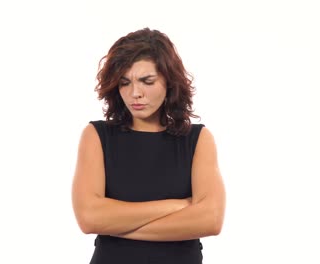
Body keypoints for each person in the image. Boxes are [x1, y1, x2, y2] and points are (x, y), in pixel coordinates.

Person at [71, 28, 226, 264]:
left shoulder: (197, 139)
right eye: (124, 83)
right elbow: (89, 218)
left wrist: (117, 224)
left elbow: (211, 219)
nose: (135, 93)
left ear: (169, 81)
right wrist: (176, 206)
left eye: (147, 81)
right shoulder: (97, 136)